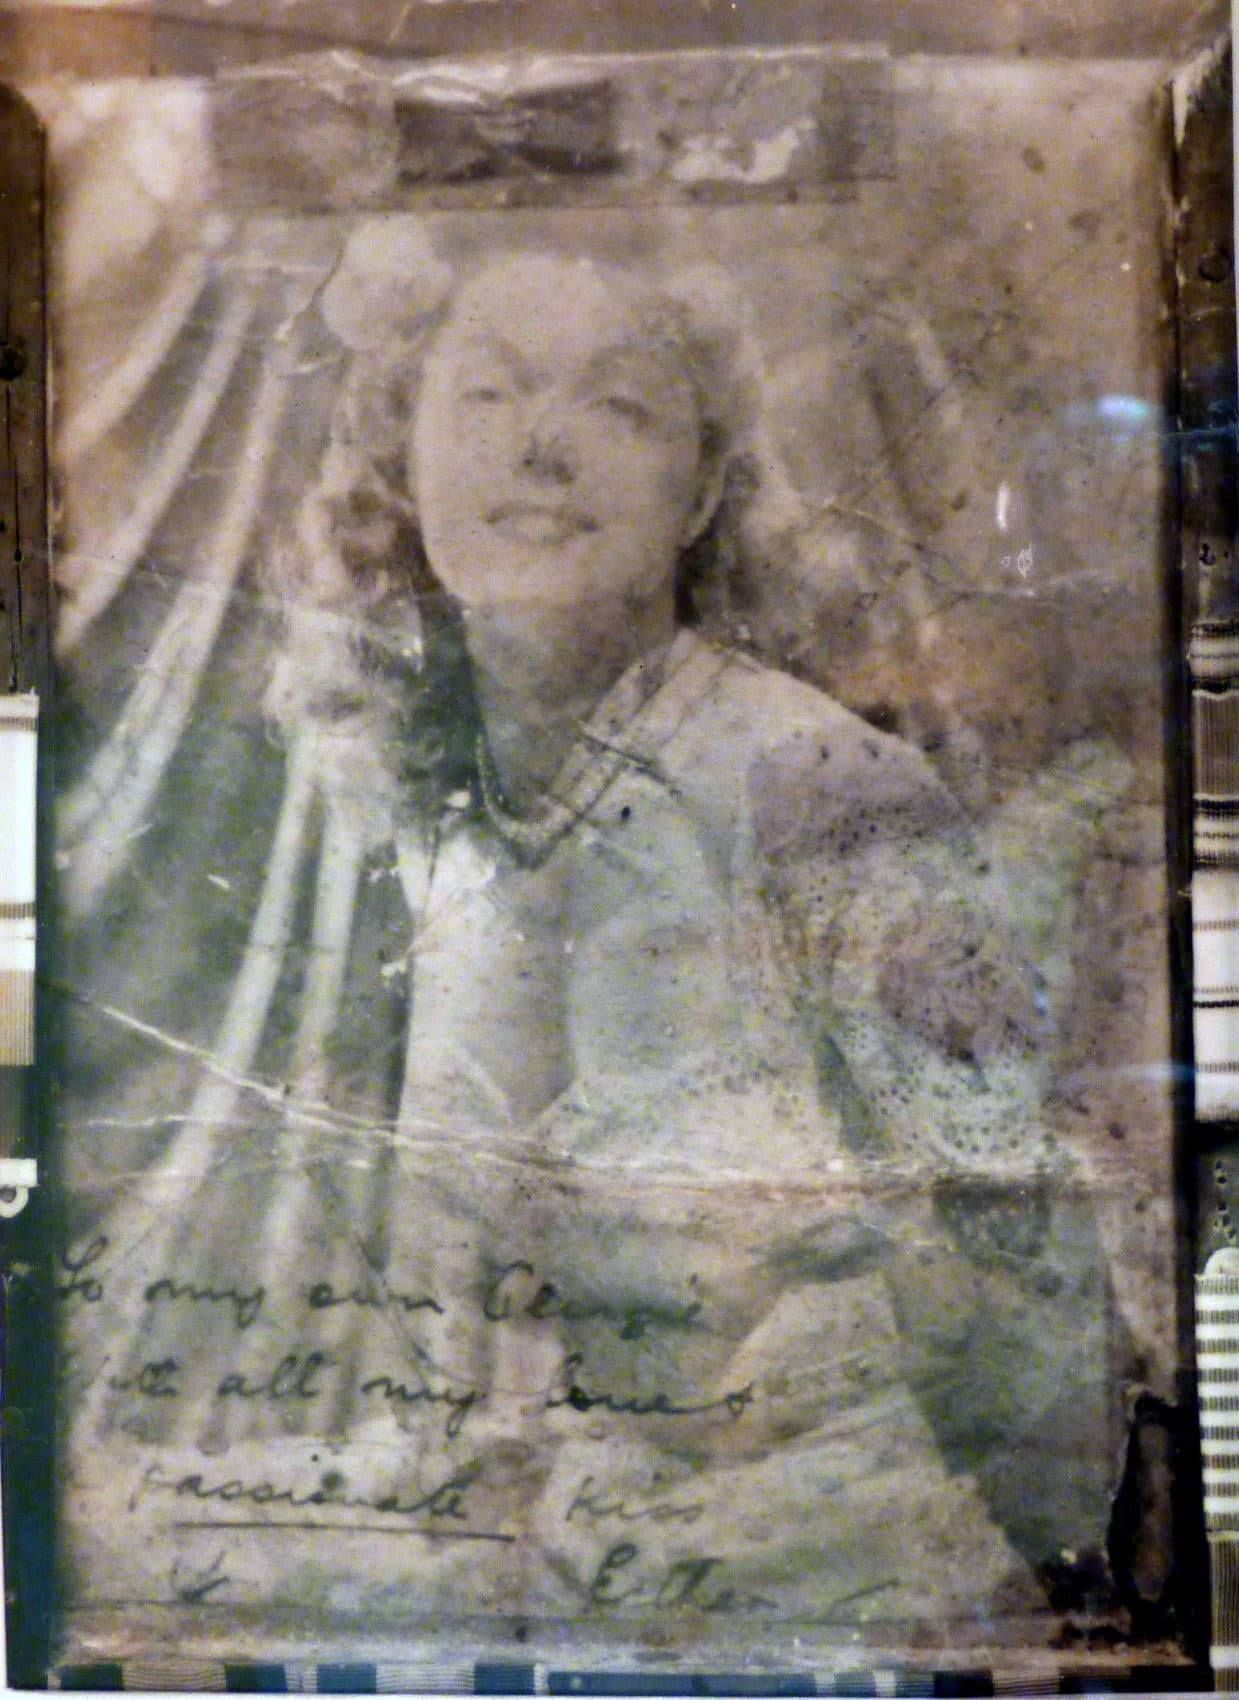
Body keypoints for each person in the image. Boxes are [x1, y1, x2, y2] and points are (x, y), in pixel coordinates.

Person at [65, 246, 1120, 1635]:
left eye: (617, 407)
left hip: (827, 1599)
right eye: (487, 395)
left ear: (699, 494)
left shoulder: (821, 787)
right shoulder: (427, 808)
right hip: (525, 1582)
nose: (541, 447)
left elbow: (1036, 1306)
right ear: (402, 455)